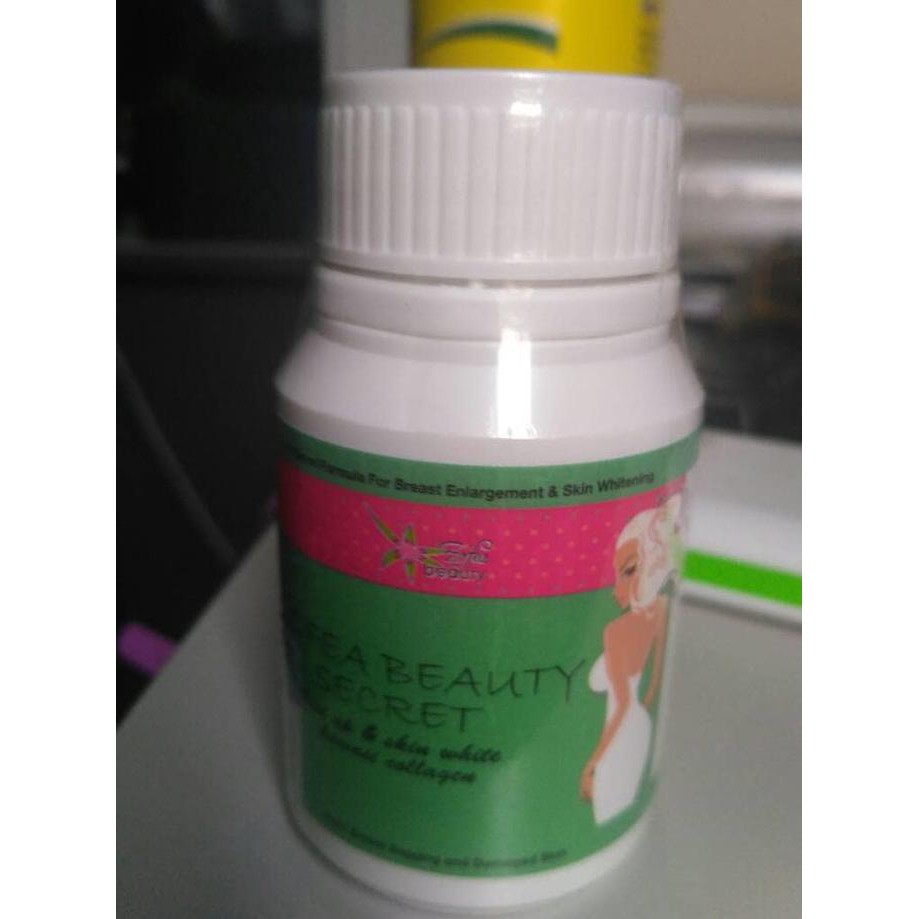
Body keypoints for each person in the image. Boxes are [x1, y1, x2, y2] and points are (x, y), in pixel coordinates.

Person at [580, 494, 682, 824]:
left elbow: (622, 706)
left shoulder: (615, 631)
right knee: (619, 814)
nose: (617, 588)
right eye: (617, 573)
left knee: (609, 811)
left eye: (628, 571)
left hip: (619, 736)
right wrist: (646, 705)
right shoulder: (661, 609)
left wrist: (593, 763)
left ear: (652, 564)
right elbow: (653, 681)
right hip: (641, 729)